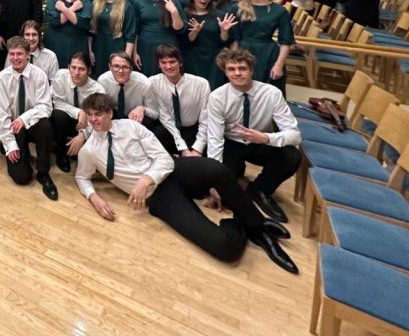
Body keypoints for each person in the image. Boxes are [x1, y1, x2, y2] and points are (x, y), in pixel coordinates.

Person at [73, 92, 297, 273]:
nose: (94, 119)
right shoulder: (89, 150)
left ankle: (257, 227)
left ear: (110, 113)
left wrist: (146, 179)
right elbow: (82, 177)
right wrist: (94, 198)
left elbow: (163, 159)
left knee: (216, 169)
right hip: (159, 196)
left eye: (99, 114)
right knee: (224, 248)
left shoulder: (131, 127)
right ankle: (240, 225)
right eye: (90, 115)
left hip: (174, 169)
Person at [206, 48, 301, 225]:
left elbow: (295, 135)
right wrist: (214, 182)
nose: (237, 73)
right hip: (231, 143)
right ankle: (235, 171)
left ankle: (259, 190)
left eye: (242, 68)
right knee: (223, 192)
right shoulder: (217, 97)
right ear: (225, 72)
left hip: (260, 140)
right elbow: (214, 139)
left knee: (291, 156)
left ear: (251, 70)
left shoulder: (272, 93)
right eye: (231, 69)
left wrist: (266, 138)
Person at [0, 37, 59, 200]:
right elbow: (1, 116)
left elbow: (46, 107)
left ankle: (43, 172)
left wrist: (24, 118)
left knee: (46, 126)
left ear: (28, 55)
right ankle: (23, 157)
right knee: (21, 178)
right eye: (12, 54)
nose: (15, 58)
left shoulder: (39, 75)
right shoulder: (2, 78)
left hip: (34, 123)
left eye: (19, 54)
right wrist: (10, 144)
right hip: (13, 127)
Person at [227, 0, 294, 95]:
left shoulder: (279, 11)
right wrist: (233, 62)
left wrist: (279, 65)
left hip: (268, 54)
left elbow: (286, 42)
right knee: (241, 93)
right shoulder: (237, 8)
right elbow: (233, 40)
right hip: (243, 53)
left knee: (268, 94)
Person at [148, 44, 210, 156]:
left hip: (194, 131)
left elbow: (205, 118)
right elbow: (165, 119)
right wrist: (183, 149)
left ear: (180, 62)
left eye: (172, 62)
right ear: (158, 65)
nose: (168, 66)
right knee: (158, 132)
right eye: (163, 62)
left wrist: (198, 149)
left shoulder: (201, 84)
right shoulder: (153, 83)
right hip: (171, 131)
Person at [50, 52, 105, 172]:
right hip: (65, 120)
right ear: (68, 67)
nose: (76, 72)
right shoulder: (61, 75)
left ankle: (78, 149)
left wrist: (82, 135)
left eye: (81, 69)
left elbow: (98, 120)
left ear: (89, 71)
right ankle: (61, 154)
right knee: (58, 115)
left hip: (87, 125)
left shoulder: (97, 90)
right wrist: (79, 112)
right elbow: (58, 103)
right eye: (73, 67)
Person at [130, 0, 185, 76]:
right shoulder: (139, 3)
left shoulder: (173, 2)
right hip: (145, 46)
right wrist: (134, 53)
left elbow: (180, 29)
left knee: (169, 76)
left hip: (168, 45)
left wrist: (174, 11)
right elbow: (135, 30)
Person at [183, 0, 234, 88]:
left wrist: (224, 31)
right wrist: (195, 31)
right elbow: (185, 41)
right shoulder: (185, 14)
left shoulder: (219, 15)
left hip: (214, 59)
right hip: (192, 58)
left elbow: (224, 42)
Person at [97, 52, 161, 135]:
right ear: (110, 67)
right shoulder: (103, 81)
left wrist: (143, 109)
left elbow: (155, 113)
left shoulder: (145, 84)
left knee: (155, 128)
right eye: (116, 66)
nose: (120, 71)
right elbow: (98, 108)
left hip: (136, 120)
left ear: (131, 69)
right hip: (113, 117)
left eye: (125, 67)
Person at [43, 0, 92, 68]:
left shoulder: (84, 2)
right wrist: (73, 9)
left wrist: (63, 9)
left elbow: (82, 23)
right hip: (55, 42)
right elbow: (55, 21)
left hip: (77, 43)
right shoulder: (53, 0)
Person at [89, 0, 137, 71]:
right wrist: (89, 50)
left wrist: (126, 57)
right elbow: (90, 32)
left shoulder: (126, 6)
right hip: (98, 47)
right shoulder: (95, 4)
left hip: (117, 47)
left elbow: (130, 35)